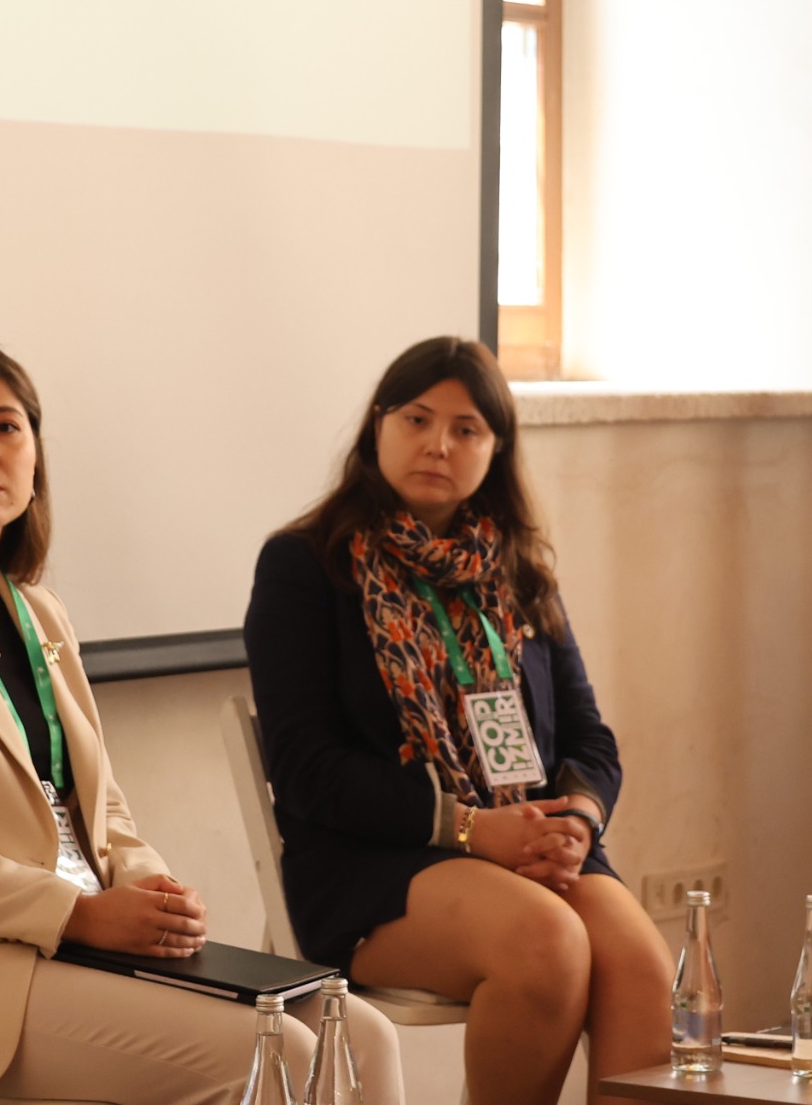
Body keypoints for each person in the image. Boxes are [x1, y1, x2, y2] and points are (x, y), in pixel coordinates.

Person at [0, 338, 406, 1105]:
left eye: (6, 427)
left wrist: (155, 897)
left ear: (35, 457)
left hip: (94, 946)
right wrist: (76, 916)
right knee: (279, 1051)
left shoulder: (39, 614)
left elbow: (103, 808)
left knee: (364, 1034)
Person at [244, 337, 673, 1105]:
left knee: (642, 966)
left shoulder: (518, 570)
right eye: (417, 419)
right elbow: (307, 768)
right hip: (376, 863)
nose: (438, 444)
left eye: (466, 429)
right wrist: (472, 829)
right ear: (378, 426)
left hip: (527, 848)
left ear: (496, 449)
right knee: (547, 944)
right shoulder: (306, 565)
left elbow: (588, 738)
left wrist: (576, 819)